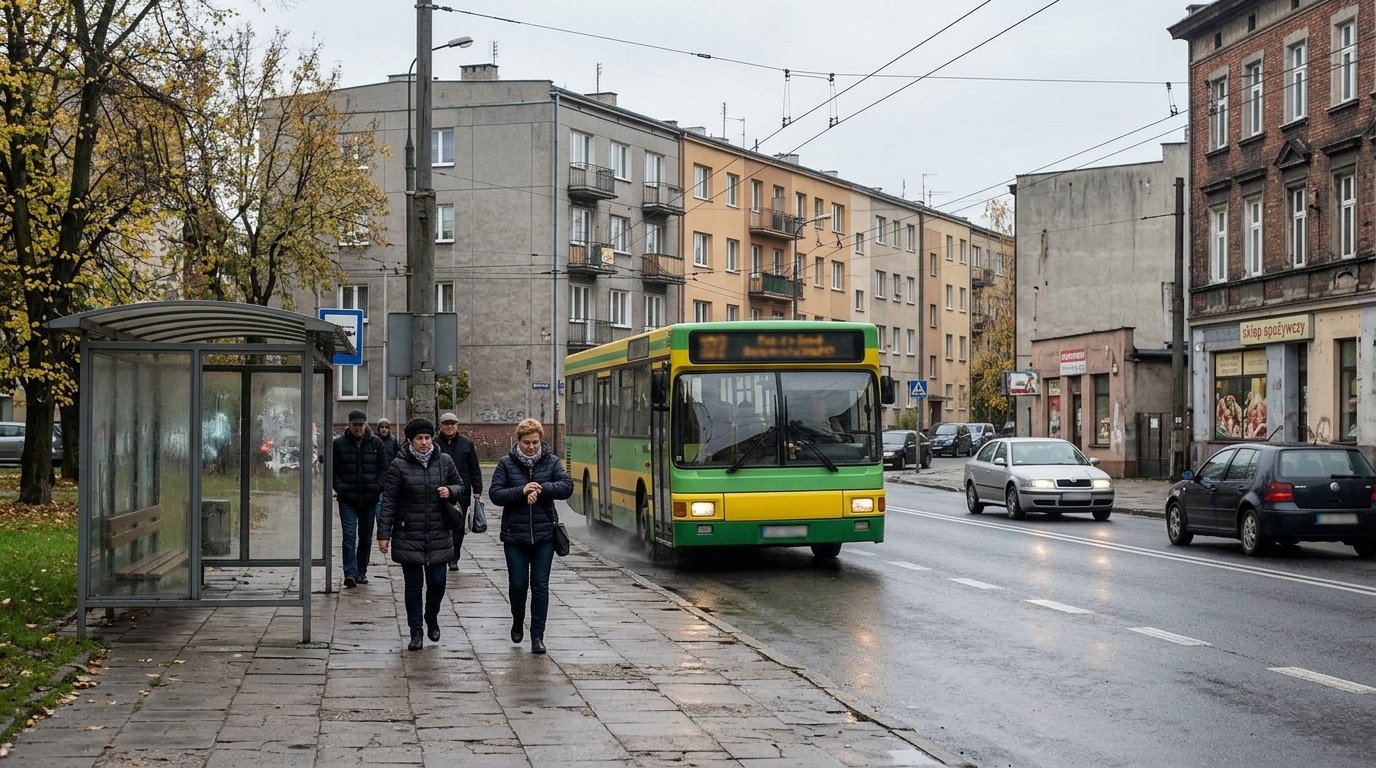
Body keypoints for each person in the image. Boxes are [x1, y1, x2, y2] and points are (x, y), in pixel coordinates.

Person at [377, 418, 464, 651]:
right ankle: (415, 631)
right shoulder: (398, 466)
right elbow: (389, 502)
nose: (424, 443)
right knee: (413, 586)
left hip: (438, 532)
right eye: (419, 438)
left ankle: (431, 616)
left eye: (427, 438)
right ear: (410, 440)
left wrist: (450, 491)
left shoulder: (444, 461)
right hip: (409, 534)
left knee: (438, 582)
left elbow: (460, 485)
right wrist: (383, 534)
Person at [489, 418, 573, 654]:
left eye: (535, 442)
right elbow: (495, 494)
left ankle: (537, 636)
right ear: (518, 441)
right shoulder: (506, 463)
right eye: (527, 442)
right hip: (515, 537)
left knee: (540, 586)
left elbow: (567, 486)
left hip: (544, 536)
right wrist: (522, 491)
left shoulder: (551, 461)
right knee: (518, 585)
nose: (531, 447)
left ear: (540, 440)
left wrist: (541, 488)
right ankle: (518, 620)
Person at [331, 409, 386, 588]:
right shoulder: (339, 444)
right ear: (349, 425)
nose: (358, 428)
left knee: (365, 537)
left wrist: (377, 487)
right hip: (347, 499)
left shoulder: (376, 443)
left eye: (360, 425)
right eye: (354, 425)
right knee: (349, 535)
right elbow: (333, 470)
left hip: (369, 499)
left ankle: (361, 571)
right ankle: (350, 572)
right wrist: (340, 488)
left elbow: (384, 469)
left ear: (366, 424)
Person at [434, 411, 483, 572]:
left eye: (452, 424)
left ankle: (454, 557)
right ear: (441, 426)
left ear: (457, 426)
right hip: (439, 491)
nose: (449, 427)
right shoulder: (434, 444)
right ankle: (440, 554)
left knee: (458, 525)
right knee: (440, 524)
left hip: (461, 491)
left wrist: (477, 489)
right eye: (446, 424)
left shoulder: (466, 444)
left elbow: (474, 468)